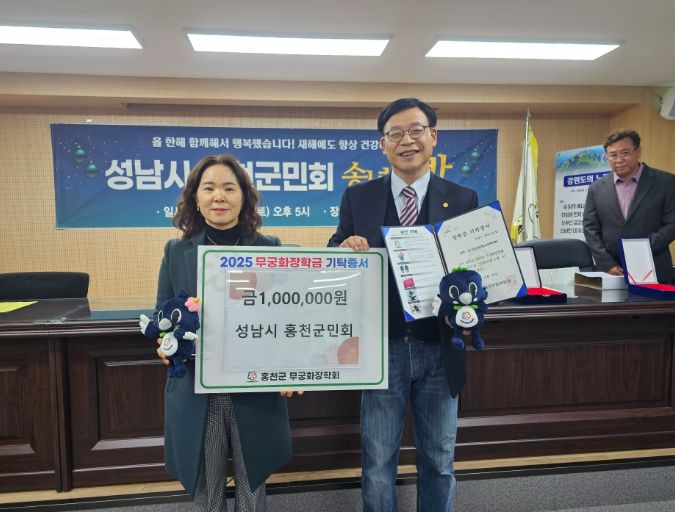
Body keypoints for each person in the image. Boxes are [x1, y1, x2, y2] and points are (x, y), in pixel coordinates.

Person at [328, 98, 478, 512]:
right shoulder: (358, 197)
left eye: (416, 130)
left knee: (439, 462)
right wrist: (344, 248)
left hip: (440, 346)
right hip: (381, 347)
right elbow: (334, 253)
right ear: (383, 144)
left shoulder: (463, 198)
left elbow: (474, 270)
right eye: (395, 134)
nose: (406, 141)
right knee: (377, 464)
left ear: (433, 136)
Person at [153, 154, 293, 511]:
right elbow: (162, 314)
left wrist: (291, 367)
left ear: (244, 197)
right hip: (200, 387)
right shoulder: (176, 251)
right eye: (209, 188)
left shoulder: (269, 248)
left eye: (229, 188)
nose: (219, 196)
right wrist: (165, 343)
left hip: (254, 385)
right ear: (195, 198)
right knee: (207, 486)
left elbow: (286, 315)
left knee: (252, 484)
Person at [583, 129, 675, 284]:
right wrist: (606, 263)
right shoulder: (597, 188)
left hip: (654, 267)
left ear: (638, 151)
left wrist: (642, 248)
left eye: (625, 153)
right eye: (613, 155)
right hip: (611, 271)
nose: (619, 160)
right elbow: (590, 228)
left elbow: (672, 223)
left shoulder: (666, 182)